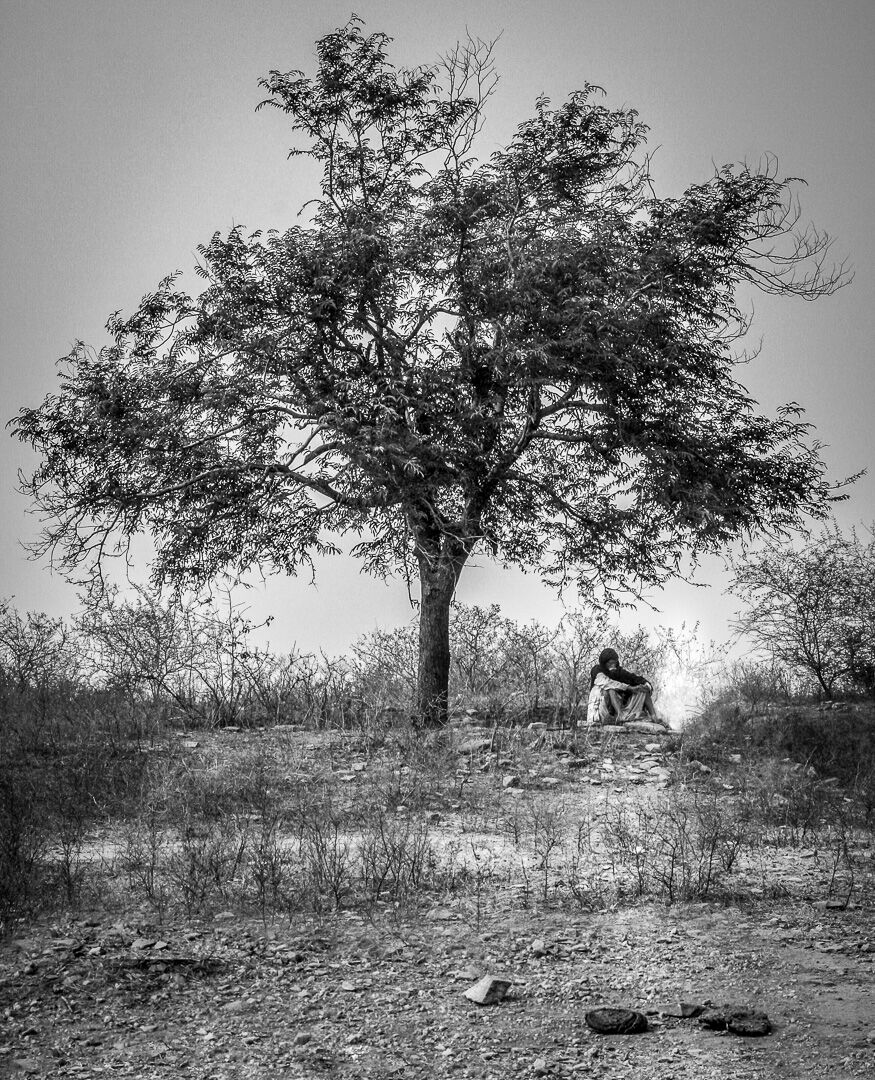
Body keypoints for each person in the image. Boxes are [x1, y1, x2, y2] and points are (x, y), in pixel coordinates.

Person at [587, 647, 664, 726]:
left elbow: (633, 678)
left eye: (614, 663)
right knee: (610, 689)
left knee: (642, 689)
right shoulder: (597, 670)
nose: (612, 665)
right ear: (604, 663)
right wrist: (629, 688)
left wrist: (646, 684)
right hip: (600, 711)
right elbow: (608, 683)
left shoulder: (618, 672)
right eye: (610, 663)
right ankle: (619, 716)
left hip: (617, 709)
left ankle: (653, 716)